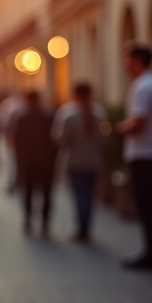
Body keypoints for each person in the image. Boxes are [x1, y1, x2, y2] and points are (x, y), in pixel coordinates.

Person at [116, 43, 152, 270]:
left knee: (146, 204)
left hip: (143, 153)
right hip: (151, 151)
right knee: (149, 204)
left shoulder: (143, 86)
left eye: (128, 60)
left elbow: (140, 120)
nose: (125, 64)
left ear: (137, 60)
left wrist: (119, 128)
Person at [52, 82, 104, 243]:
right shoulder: (99, 113)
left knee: (79, 196)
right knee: (89, 196)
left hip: (74, 161)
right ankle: (86, 227)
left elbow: (60, 138)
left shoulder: (68, 114)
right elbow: (105, 138)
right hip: (94, 160)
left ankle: (81, 228)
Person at [11, 89, 58, 237]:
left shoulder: (22, 118)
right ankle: (44, 221)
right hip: (46, 161)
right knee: (46, 192)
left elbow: (16, 141)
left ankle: (28, 218)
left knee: (29, 191)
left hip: (28, 161)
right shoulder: (49, 117)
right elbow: (55, 141)